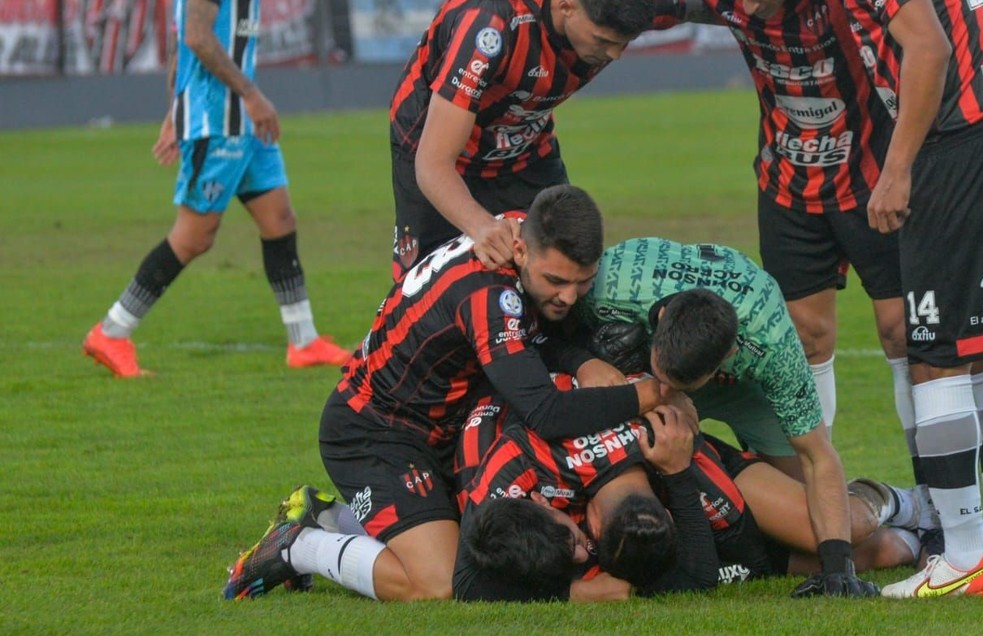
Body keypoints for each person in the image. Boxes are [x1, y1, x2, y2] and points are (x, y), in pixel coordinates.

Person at [221, 185, 668, 602]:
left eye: (582, 282)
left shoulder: (520, 228)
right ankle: (301, 546)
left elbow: (531, 341)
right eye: (556, 281)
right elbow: (545, 411)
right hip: (373, 432)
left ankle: (327, 516)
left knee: (474, 535)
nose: (569, 297)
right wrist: (654, 393)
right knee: (439, 580)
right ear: (520, 250)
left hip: (437, 426)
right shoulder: (489, 295)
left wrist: (579, 361)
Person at [666, 0, 949, 466]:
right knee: (805, 337)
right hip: (788, 186)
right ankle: (813, 501)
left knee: (904, 333)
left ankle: (934, 494)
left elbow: (928, 44)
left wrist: (900, 170)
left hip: (872, 178)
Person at [840, 0, 983, 598]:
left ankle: (962, 555)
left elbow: (928, 49)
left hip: (961, 149)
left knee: (934, 354)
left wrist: (898, 167)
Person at [575, 237, 880, 598]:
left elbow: (817, 455)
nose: (666, 390)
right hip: (638, 378)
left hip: (743, 390)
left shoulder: (771, 344)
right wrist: (588, 361)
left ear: (728, 355)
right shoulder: (611, 283)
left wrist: (836, 569)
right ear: (658, 322)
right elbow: (546, 329)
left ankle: (891, 500)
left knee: (815, 524)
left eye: (677, 383)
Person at [454, 372, 916, 601]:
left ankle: (901, 500)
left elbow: (726, 565)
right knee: (889, 552)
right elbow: (466, 577)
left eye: (576, 542)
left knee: (852, 531)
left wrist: (678, 470)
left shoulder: (689, 469)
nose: (580, 554)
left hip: (716, 472)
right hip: (687, 504)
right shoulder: (523, 462)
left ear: (588, 519)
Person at [81, 0, 352, 377]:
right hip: (217, 121)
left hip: (242, 125)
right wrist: (250, 95)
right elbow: (195, 37)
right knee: (194, 237)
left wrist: (175, 110)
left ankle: (304, 341)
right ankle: (112, 330)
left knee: (279, 219)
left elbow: (180, 43)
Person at [388, 0, 677, 279]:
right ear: (566, 5)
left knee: (566, 269)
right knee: (429, 294)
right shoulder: (490, 23)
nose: (614, 54)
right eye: (602, 41)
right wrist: (482, 227)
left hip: (526, 149)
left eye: (625, 42)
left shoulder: (634, 6)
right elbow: (433, 162)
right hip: (435, 149)